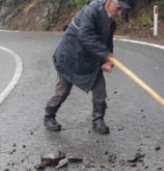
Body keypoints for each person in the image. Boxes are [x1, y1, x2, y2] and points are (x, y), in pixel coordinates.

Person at [44, 0, 129, 134]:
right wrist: (105, 55)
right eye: (118, 9)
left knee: (100, 89)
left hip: (91, 60)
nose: (119, 13)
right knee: (63, 91)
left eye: (121, 11)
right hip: (70, 56)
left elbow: (107, 43)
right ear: (110, 2)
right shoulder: (91, 11)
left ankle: (98, 120)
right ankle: (49, 116)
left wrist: (108, 61)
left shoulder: (111, 22)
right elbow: (85, 35)